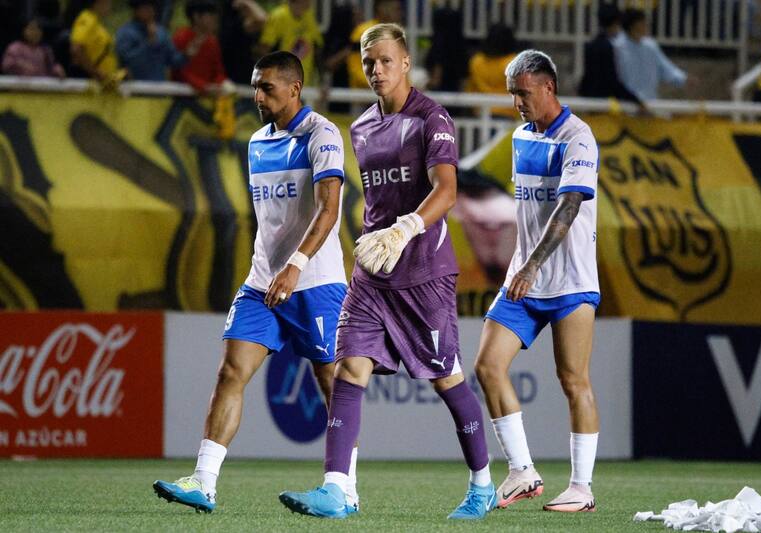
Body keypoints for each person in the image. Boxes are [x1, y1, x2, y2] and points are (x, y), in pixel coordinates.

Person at [278, 23, 496, 521]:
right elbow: (378, 199)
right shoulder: (360, 127)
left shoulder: (432, 119)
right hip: (374, 275)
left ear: (405, 64)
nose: (375, 69)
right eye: (367, 61)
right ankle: (338, 489)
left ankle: (482, 484)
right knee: (347, 369)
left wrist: (405, 229)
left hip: (424, 274)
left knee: (447, 380)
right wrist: (378, 239)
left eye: (384, 60)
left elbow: (446, 191)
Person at [153, 51, 359, 514]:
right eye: (254, 86)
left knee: (333, 385)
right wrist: (272, 267)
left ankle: (344, 489)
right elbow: (271, 221)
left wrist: (296, 265)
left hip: (316, 282)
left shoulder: (322, 134)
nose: (257, 95)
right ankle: (203, 483)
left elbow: (329, 211)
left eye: (266, 87)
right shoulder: (256, 142)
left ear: (294, 88)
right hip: (263, 282)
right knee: (230, 372)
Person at [473, 49, 601, 513]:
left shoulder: (579, 138)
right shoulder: (520, 137)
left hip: (568, 281)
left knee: (573, 380)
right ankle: (522, 470)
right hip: (523, 282)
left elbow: (568, 208)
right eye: (511, 94)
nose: (516, 103)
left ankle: (581, 489)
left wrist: (532, 265)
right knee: (487, 366)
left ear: (548, 87)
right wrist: (521, 267)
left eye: (522, 93)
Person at [614, 8, 688, 101]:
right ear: (633, 25)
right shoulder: (617, 47)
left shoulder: (650, 46)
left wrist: (683, 79)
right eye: (643, 23)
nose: (647, 25)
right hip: (625, 104)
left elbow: (665, 68)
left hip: (650, 102)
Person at [578, 3, 642, 107]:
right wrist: (636, 100)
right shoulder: (608, 47)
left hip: (589, 100)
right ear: (616, 23)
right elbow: (612, 81)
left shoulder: (590, 45)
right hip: (602, 103)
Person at [258, 0, 323, 86]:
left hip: (305, 85)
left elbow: (318, 48)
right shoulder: (279, 16)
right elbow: (264, 50)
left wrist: (322, 82)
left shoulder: (309, 16)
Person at [116, 0, 186, 81]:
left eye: (152, 8)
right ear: (136, 11)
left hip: (159, 86)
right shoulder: (126, 32)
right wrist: (149, 43)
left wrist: (186, 55)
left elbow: (172, 60)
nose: (151, 11)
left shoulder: (161, 32)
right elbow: (127, 62)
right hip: (134, 86)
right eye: (146, 8)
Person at [172, 0, 228, 94]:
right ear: (196, 17)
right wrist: (203, 86)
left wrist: (221, 83)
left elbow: (218, 71)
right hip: (183, 96)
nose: (215, 19)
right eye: (210, 14)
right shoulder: (181, 37)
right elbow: (179, 72)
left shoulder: (213, 42)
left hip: (207, 96)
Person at [466, 23, 520, 118]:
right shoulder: (513, 62)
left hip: (481, 113)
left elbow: (471, 87)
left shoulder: (476, 61)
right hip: (508, 114)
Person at [346, 0, 402, 89]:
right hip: (365, 95)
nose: (400, 14)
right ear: (381, 9)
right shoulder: (363, 32)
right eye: (396, 9)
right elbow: (355, 68)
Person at [69, 0, 124, 84]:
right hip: (92, 82)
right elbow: (76, 48)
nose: (110, 7)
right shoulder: (87, 18)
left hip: (105, 82)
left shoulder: (96, 21)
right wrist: (96, 72)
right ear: (99, 2)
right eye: (108, 3)